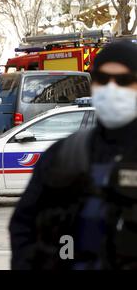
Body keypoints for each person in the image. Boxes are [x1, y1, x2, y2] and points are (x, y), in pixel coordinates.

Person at [9, 41, 137, 270]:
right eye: (102, 79)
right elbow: (23, 225)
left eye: (124, 80)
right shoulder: (64, 155)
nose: (111, 88)